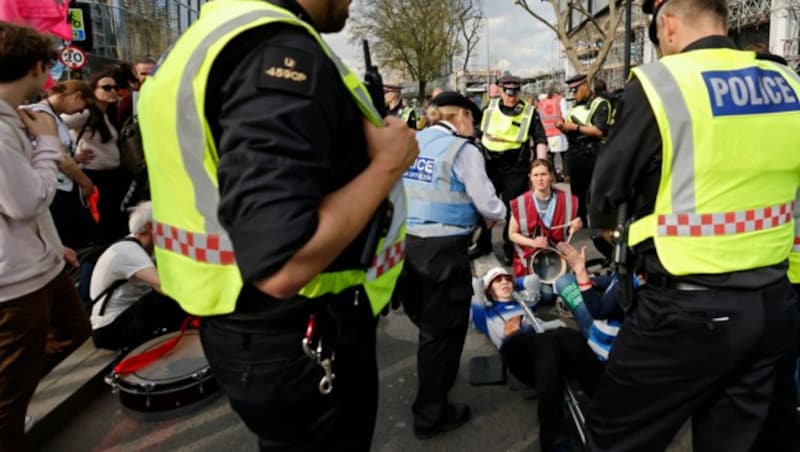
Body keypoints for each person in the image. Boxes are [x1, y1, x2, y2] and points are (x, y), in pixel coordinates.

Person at [137, 0, 419, 450]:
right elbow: (282, 263)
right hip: (301, 335)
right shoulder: (276, 51)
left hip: (247, 329)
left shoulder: (210, 35)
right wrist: (388, 164)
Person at [587, 0, 800, 448]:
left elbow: (605, 197)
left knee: (615, 435)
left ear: (667, 25)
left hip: (685, 313)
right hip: (773, 303)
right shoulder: (787, 81)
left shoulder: (662, 82)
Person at [0, 22, 91, 451]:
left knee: (72, 333)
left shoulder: (13, 117)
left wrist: (54, 248)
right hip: (14, 280)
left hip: (39, 264)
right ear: (37, 67)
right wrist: (48, 144)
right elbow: (25, 201)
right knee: (8, 393)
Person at [399, 91, 506, 439]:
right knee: (443, 331)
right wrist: (498, 215)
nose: (472, 128)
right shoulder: (463, 150)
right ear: (461, 115)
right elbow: (489, 205)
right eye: (471, 120)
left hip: (407, 246)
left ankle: (435, 383)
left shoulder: (412, 140)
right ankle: (431, 413)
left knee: (427, 324)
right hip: (444, 251)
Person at [471, 267, 603, 452]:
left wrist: (514, 283)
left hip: (547, 352)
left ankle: (606, 400)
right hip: (518, 352)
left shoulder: (525, 302)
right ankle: (554, 439)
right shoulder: (485, 313)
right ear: (489, 290)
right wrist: (486, 285)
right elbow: (474, 285)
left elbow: (533, 279)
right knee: (546, 339)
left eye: (507, 279)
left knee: (567, 335)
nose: (504, 282)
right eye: (498, 280)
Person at [89, 201, 187, 351]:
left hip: (126, 318)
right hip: (109, 329)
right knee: (163, 298)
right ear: (149, 227)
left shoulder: (147, 250)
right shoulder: (127, 250)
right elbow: (163, 286)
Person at [477, 73, 549, 264]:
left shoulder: (529, 112)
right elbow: (476, 133)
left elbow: (540, 138)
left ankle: (510, 246)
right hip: (489, 164)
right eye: (508, 91)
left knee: (514, 210)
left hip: (515, 167)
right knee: (486, 207)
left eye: (515, 91)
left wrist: (541, 165)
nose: (511, 96)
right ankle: (483, 243)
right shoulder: (489, 108)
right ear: (500, 90)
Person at [22, 80, 99, 249]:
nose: (81, 111)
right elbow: (59, 156)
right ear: (77, 96)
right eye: (84, 105)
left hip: (60, 188)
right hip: (55, 190)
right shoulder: (43, 114)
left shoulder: (52, 115)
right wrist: (85, 181)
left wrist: (74, 158)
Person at [63, 71, 129, 242]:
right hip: (94, 176)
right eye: (106, 87)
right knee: (101, 222)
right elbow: (53, 124)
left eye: (115, 87)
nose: (113, 91)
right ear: (93, 91)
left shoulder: (110, 114)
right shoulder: (85, 114)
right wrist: (73, 156)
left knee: (114, 219)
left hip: (113, 175)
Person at [508, 159, 582, 302]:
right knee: (546, 296)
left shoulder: (566, 200)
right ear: (530, 177)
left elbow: (571, 228)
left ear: (551, 176)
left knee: (552, 294)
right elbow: (512, 234)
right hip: (528, 258)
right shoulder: (521, 202)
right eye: (535, 175)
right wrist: (532, 242)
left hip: (555, 258)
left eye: (543, 174)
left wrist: (576, 225)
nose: (540, 179)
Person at [556, 74, 611, 225]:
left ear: (585, 86)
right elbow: (570, 127)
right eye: (571, 91)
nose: (573, 94)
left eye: (575, 90)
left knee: (594, 191)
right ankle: (580, 219)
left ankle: (598, 221)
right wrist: (563, 127)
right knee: (577, 190)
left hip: (593, 152)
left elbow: (600, 130)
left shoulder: (600, 103)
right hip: (575, 151)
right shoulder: (574, 106)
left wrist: (575, 127)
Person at [539, 85, 569, 181]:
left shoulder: (542, 102)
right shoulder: (560, 100)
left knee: (550, 156)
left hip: (547, 132)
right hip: (559, 131)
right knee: (564, 153)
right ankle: (567, 175)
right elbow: (565, 115)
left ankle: (553, 176)